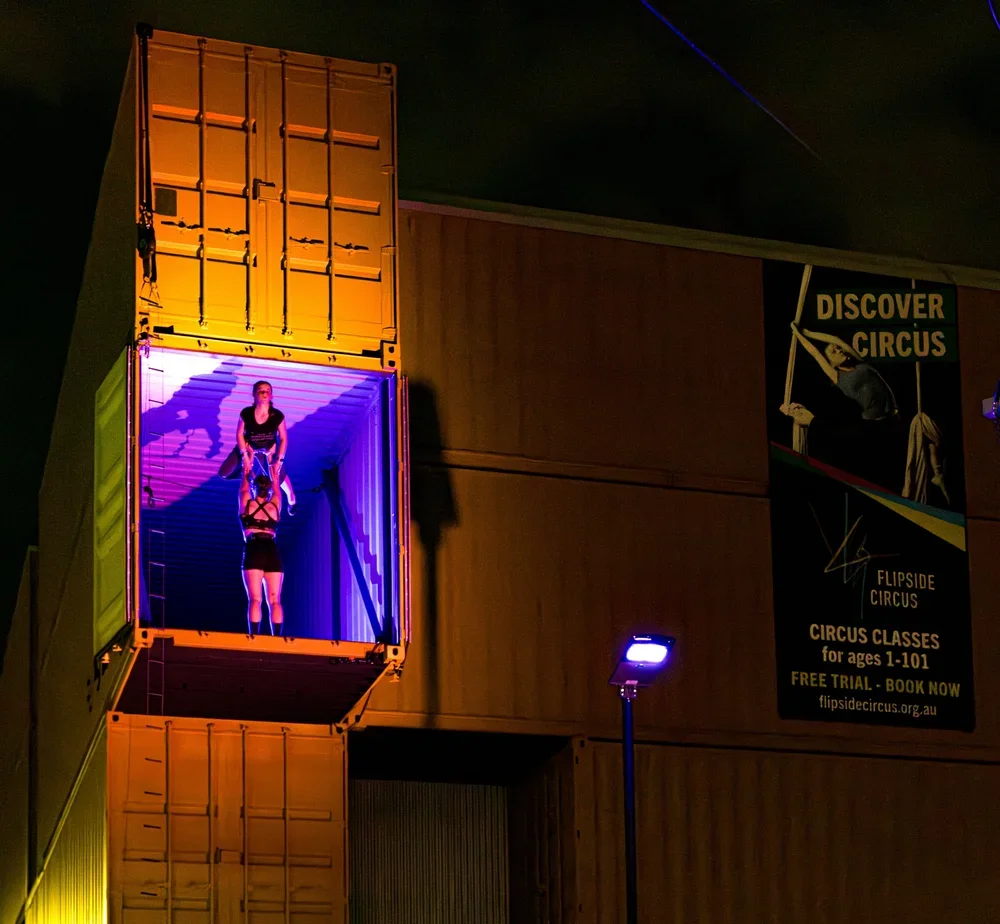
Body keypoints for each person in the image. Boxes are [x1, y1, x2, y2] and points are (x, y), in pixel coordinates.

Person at [781, 323, 904, 491]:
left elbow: (836, 340)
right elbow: (815, 353)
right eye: (833, 352)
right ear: (832, 364)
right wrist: (799, 335)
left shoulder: (861, 362)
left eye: (837, 349)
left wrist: (809, 331)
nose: (838, 350)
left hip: (894, 420)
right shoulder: (839, 378)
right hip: (876, 427)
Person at [218, 380, 297, 513]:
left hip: (268, 450)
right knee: (224, 473)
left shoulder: (277, 416)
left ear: (271, 395)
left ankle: (291, 497)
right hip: (249, 447)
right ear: (254, 394)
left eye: (267, 391)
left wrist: (279, 459)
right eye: (261, 390)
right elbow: (239, 434)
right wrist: (245, 454)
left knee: (278, 477)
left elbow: (284, 438)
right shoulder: (247, 413)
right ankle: (252, 477)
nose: (264, 393)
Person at [239, 469, 285, 635]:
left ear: (255, 487)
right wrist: (275, 474)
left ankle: (254, 636)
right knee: (275, 600)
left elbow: (243, 490)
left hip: (254, 548)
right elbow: (278, 491)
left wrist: (247, 467)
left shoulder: (248, 504)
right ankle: (277, 638)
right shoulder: (275, 505)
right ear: (269, 489)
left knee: (255, 599)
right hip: (271, 550)